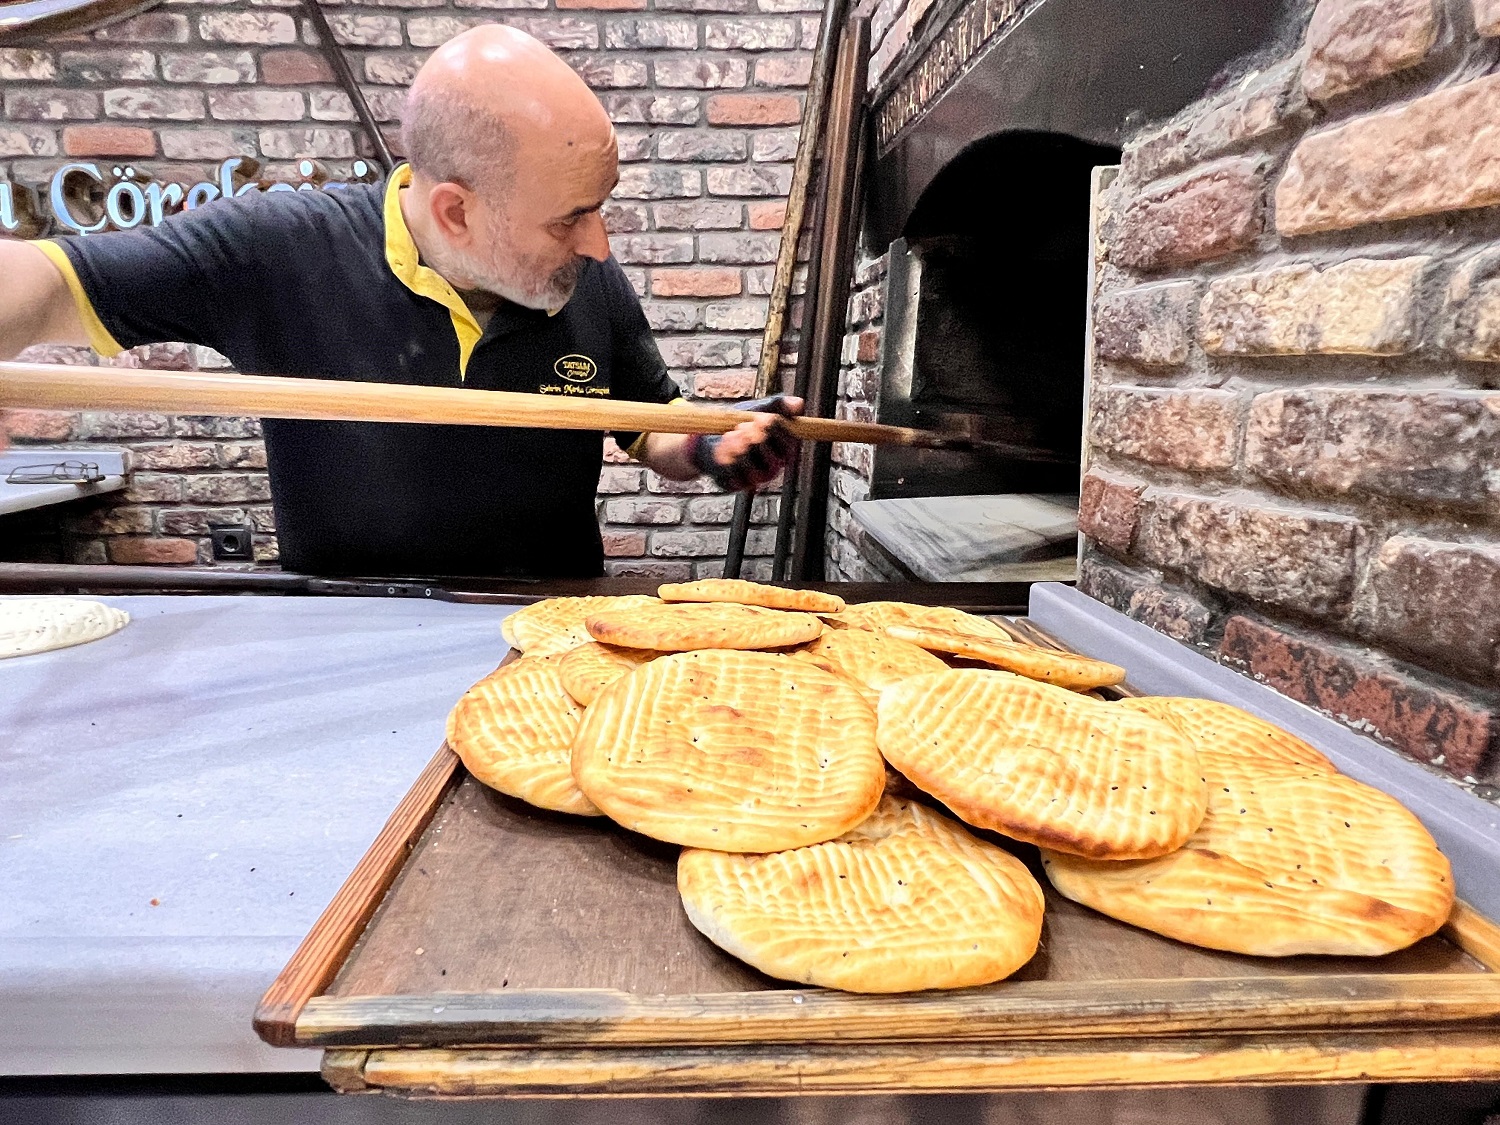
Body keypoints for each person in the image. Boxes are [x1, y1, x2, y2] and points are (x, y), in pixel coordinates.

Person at [0, 24, 798, 578]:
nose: (600, 243)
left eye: (600, 203)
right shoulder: (279, 248)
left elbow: (648, 424)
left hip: (544, 634)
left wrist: (709, 448)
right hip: (350, 633)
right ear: (455, 210)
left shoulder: (584, 278)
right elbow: (45, 281)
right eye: (568, 219)